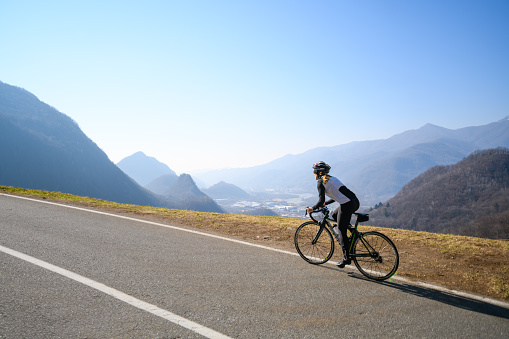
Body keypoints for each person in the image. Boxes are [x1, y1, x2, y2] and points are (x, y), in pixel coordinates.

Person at [306, 161, 360, 268]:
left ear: (319, 173)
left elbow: (320, 201)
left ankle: (346, 258)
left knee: (340, 229)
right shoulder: (331, 179)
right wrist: (325, 203)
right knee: (335, 216)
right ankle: (350, 237)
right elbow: (336, 195)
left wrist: (312, 208)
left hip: (347, 205)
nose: (313, 173)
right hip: (354, 202)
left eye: (314, 171)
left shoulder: (321, 183)